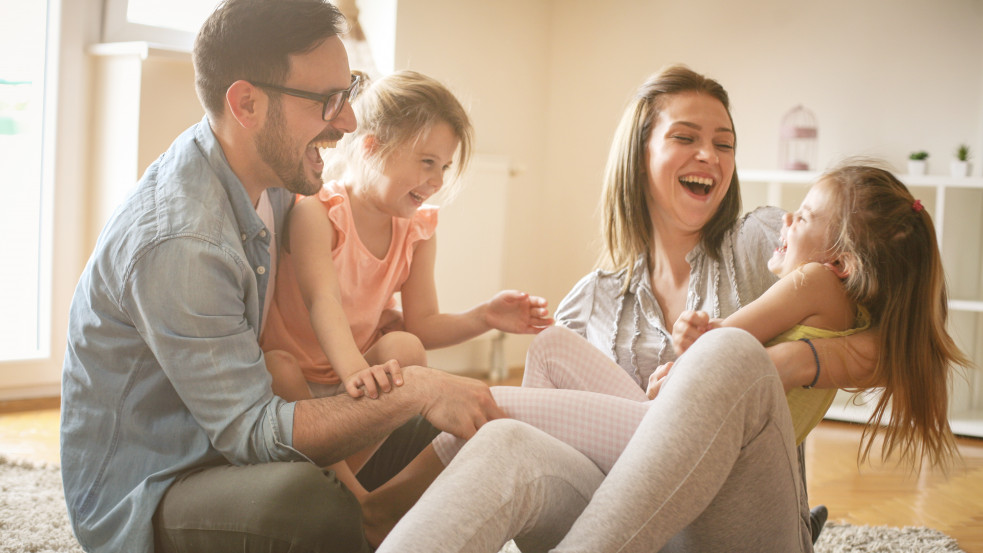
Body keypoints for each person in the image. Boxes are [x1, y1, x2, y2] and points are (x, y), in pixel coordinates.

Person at [375, 67, 964, 552]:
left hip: (738, 521)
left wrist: (790, 361)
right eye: (685, 137)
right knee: (511, 436)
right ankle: (372, 521)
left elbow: (900, 333)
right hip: (628, 516)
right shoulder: (592, 298)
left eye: (724, 143)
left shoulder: (763, 244)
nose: (709, 154)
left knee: (729, 352)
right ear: (640, 152)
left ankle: (440, 405)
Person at [59, 2, 503, 552]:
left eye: (350, 91)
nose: (348, 120)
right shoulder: (183, 243)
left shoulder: (273, 179)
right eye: (327, 102)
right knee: (308, 504)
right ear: (246, 103)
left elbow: (328, 284)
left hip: (227, 439)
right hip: (161, 484)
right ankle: (359, 520)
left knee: (437, 430)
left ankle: (368, 519)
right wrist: (412, 388)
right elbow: (252, 433)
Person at [259, 69, 552, 501]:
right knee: (275, 365)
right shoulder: (318, 213)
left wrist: (486, 315)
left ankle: (349, 488)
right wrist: (358, 373)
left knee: (407, 348)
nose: (437, 181)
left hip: (350, 380)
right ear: (373, 147)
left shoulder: (416, 229)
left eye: (445, 167)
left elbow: (424, 323)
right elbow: (323, 301)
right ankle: (357, 501)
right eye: (427, 162)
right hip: (299, 384)